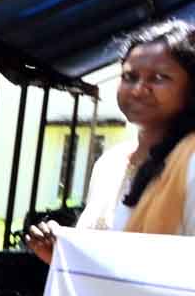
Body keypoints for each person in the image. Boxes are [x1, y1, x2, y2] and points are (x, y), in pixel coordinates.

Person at [29, 19, 195, 256]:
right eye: (129, 77)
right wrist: (62, 253)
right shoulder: (110, 164)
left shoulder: (190, 161)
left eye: (158, 78)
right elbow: (103, 263)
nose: (138, 89)